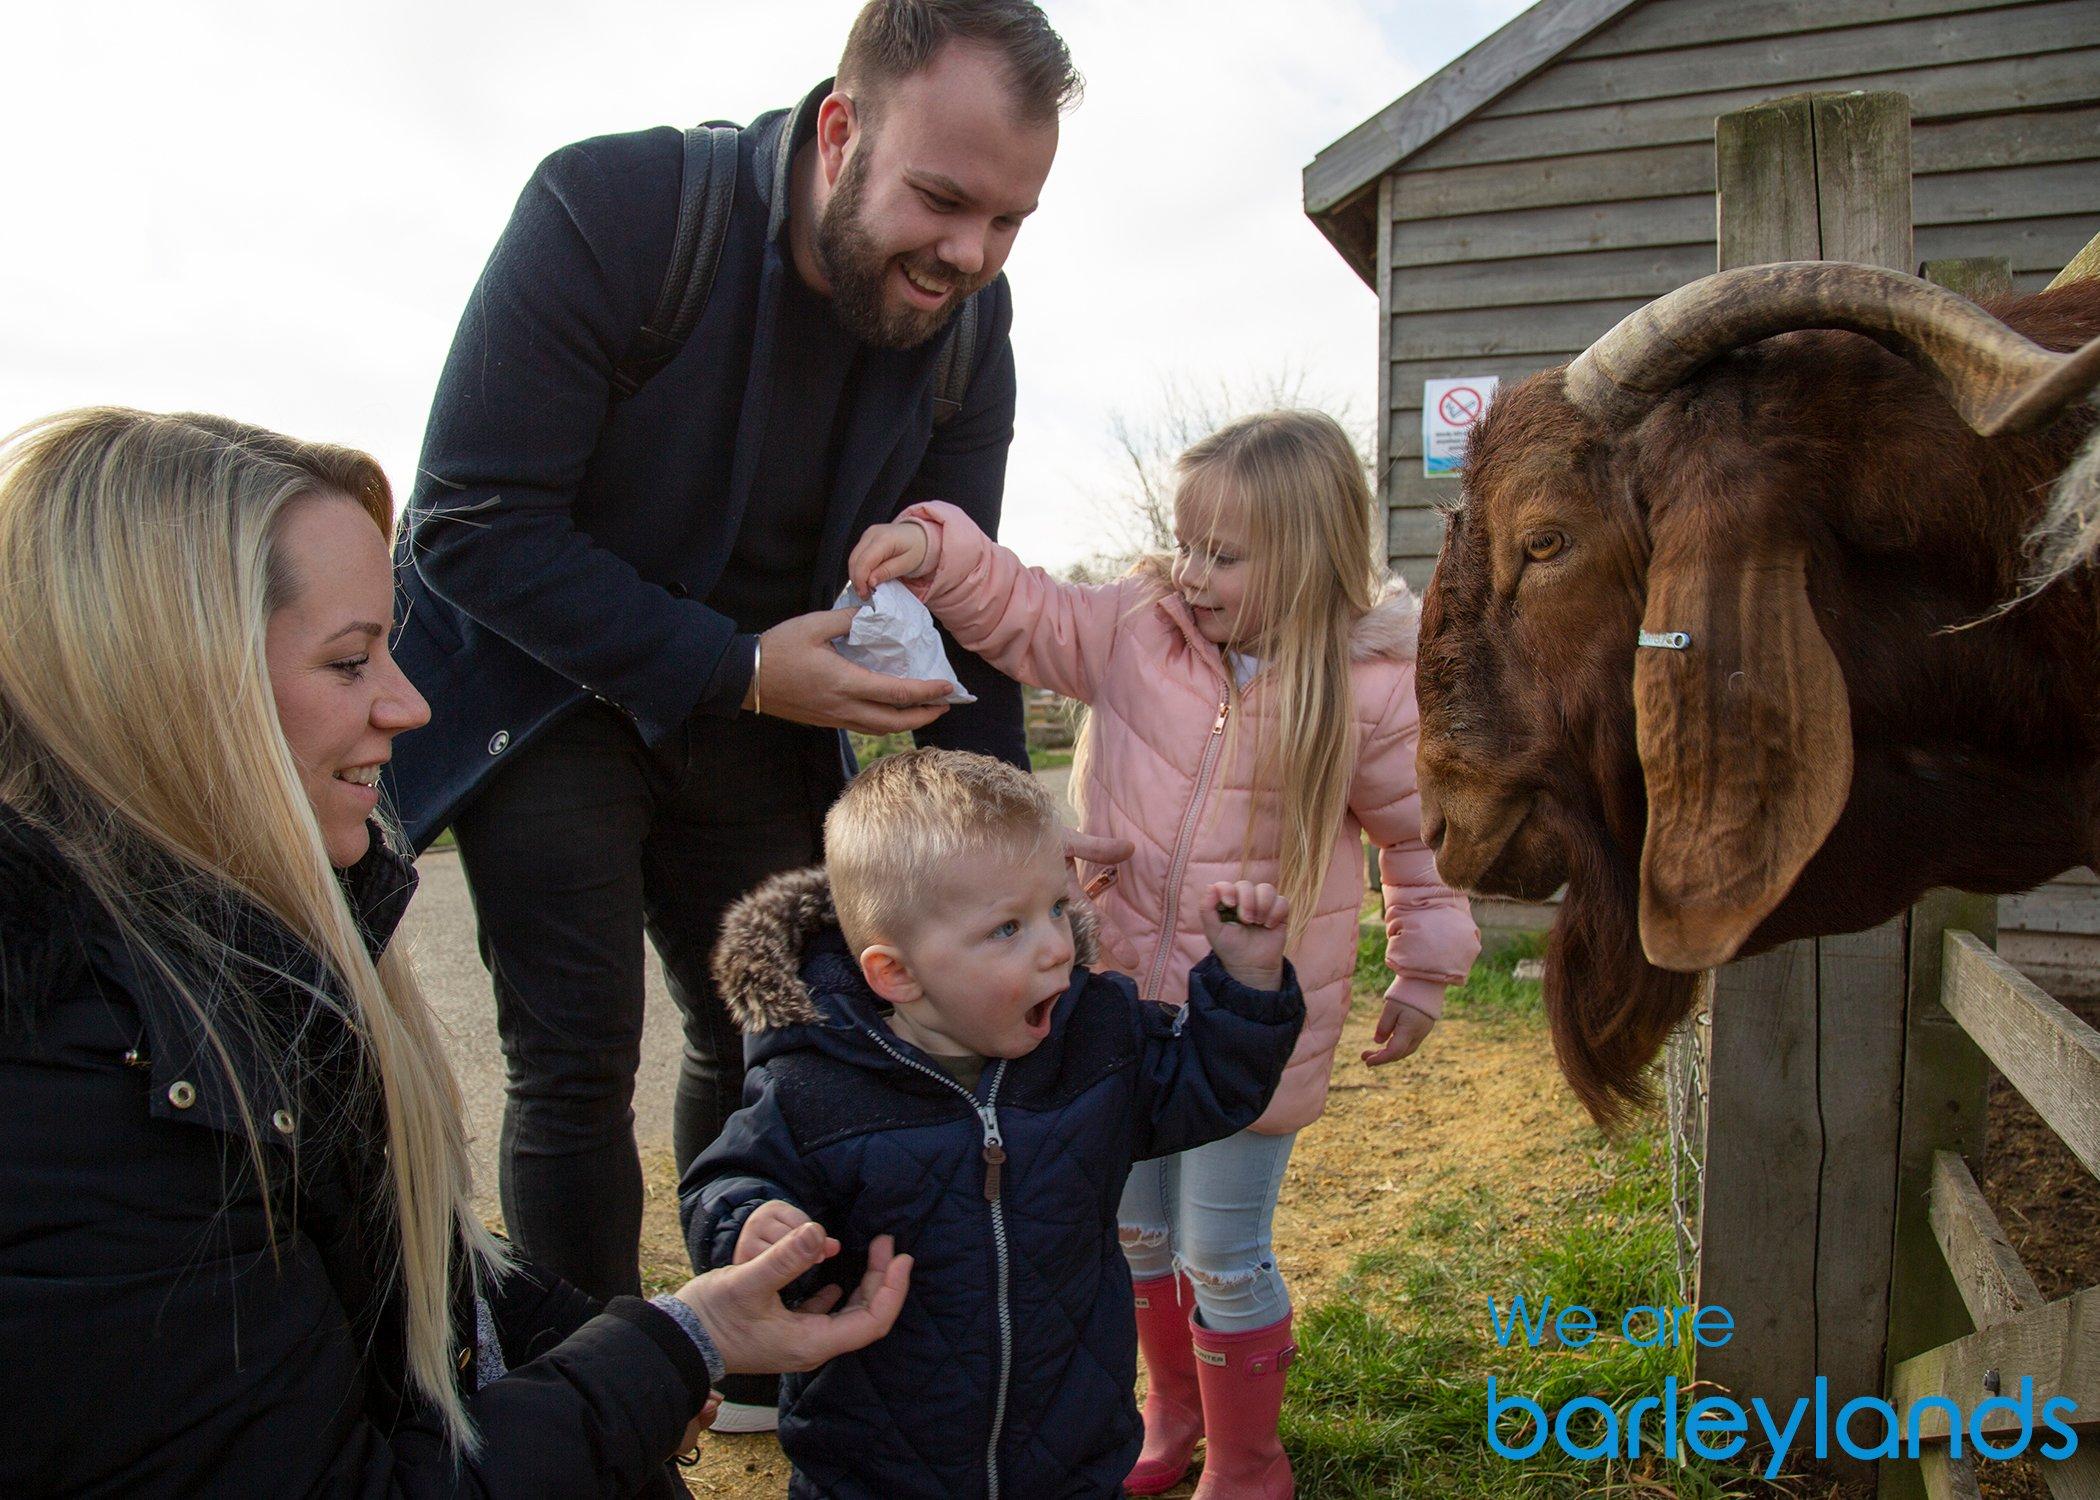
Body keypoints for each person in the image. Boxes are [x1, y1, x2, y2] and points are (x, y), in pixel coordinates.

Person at [0, 408, 912, 1496]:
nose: (412, 702)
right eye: (349, 662)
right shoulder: (82, 1091)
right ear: (170, 686)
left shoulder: (243, 963)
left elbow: (410, 1282)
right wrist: (667, 1356)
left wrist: (672, 1329)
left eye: (391, 645)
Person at [384, 8, 1080, 1428]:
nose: (970, 255)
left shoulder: (971, 327)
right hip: (552, 685)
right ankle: (590, 1401)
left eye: (1011, 219)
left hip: (768, 709)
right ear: (840, 130)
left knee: (769, 1032)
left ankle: (738, 1343)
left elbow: (957, 588)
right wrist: (742, 666)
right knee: (576, 1058)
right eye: (941, 201)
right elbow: (468, 519)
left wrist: (1026, 871)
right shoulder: (615, 209)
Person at [848, 407, 1483, 1497]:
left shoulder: (1372, 689)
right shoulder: (1137, 628)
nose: (1190, 572)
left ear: (1308, 552)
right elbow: (1023, 609)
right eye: (1187, 544)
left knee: (1221, 1255)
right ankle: (1170, 1412)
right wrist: (936, 550)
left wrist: (1424, 966)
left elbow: (1421, 839)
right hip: (1114, 1013)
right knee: (1138, 1231)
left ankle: (1248, 1457)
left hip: (1256, 1025)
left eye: (1223, 555)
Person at [680, 748, 1305, 1497]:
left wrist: (1248, 985)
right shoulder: (813, 1085)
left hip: (1072, 1453)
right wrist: (746, 1222)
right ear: (898, 974)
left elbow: (1207, 1087)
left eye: (1054, 907)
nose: (1056, 946)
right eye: (1007, 928)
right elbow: (729, 1177)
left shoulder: (1095, 1038)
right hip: (878, 1466)